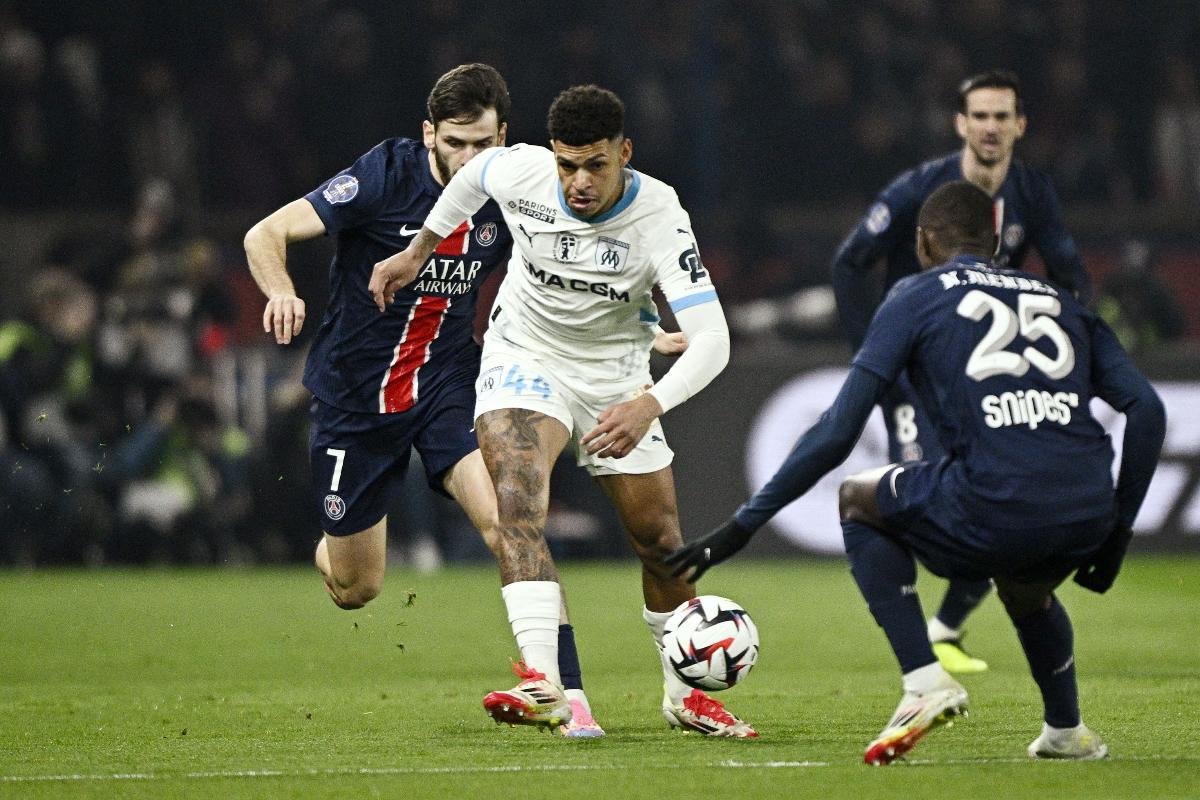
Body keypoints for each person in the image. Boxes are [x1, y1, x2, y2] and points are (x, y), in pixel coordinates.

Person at [667, 181, 1165, 763]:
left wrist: (742, 526)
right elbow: (1147, 410)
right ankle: (1066, 732)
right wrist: (1118, 531)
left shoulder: (915, 294)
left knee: (858, 496)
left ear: (924, 242)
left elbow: (836, 430)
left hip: (993, 498)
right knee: (1026, 587)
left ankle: (924, 681)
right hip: (1084, 510)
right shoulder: (1062, 300)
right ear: (997, 243)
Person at [369, 85, 755, 737]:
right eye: (567, 164)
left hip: (617, 379)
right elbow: (471, 179)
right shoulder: (518, 168)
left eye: (595, 165)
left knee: (660, 543)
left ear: (623, 154)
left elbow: (713, 338)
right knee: (517, 505)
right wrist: (419, 251)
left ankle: (684, 696)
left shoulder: (658, 214)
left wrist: (648, 402)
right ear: (551, 154)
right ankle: (545, 685)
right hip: (525, 356)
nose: (578, 181)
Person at [243, 64, 608, 738]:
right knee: (357, 588)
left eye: (485, 145)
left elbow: (597, 247)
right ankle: (332, 545)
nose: (471, 160)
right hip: (357, 399)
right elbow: (262, 235)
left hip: (450, 390)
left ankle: (566, 694)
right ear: (429, 136)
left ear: (507, 137)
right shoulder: (382, 177)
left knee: (511, 520)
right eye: (457, 144)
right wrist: (281, 292)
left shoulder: (518, 188)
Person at [829, 69, 1094, 674]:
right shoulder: (918, 190)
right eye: (980, 116)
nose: (991, 127)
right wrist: (874, 353)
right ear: (960, 124)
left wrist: (1080, 347)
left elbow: (1071, 273)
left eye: (1003, 116)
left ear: (1021, 125)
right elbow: (849, 264)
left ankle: (942, 632)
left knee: (990, 494)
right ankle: (923, 643)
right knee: (932, 492)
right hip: (915, 375)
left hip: (982, 374)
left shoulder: (1031, 191)